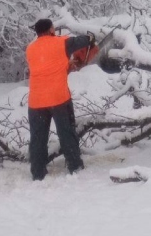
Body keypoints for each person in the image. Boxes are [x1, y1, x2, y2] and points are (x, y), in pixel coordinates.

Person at [26, 19, 97, 181]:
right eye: (53, 28)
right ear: (51, 29)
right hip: (58, 99)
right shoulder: (62, 42)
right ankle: (75, 166)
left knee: (37, 138)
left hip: (36, 102)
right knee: (66, 133)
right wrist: (91, 38)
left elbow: (46, 65)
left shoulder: (30, 49)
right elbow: (86, 39)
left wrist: (65, 63)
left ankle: (38, 173)